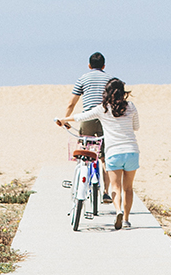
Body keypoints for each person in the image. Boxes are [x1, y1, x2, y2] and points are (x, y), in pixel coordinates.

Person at [58, 77, 139, 230]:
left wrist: (63, 119)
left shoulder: (102, 108)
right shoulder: (131, 106)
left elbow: (81, 116)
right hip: (132, 151)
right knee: (128, 188)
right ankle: (127, 220)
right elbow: (137, 127)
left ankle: (118, 211)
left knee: (116, 187)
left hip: (114, 152)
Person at [60, 53, 112, 202]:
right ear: (103, 66)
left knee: (85, 153)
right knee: (104, 157)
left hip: (87, 119)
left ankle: (81, 182)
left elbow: (71, 103)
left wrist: (66, 119)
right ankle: (106, 192)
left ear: (89, 66)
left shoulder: (83, 79)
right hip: (105, 120)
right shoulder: (110, 80)